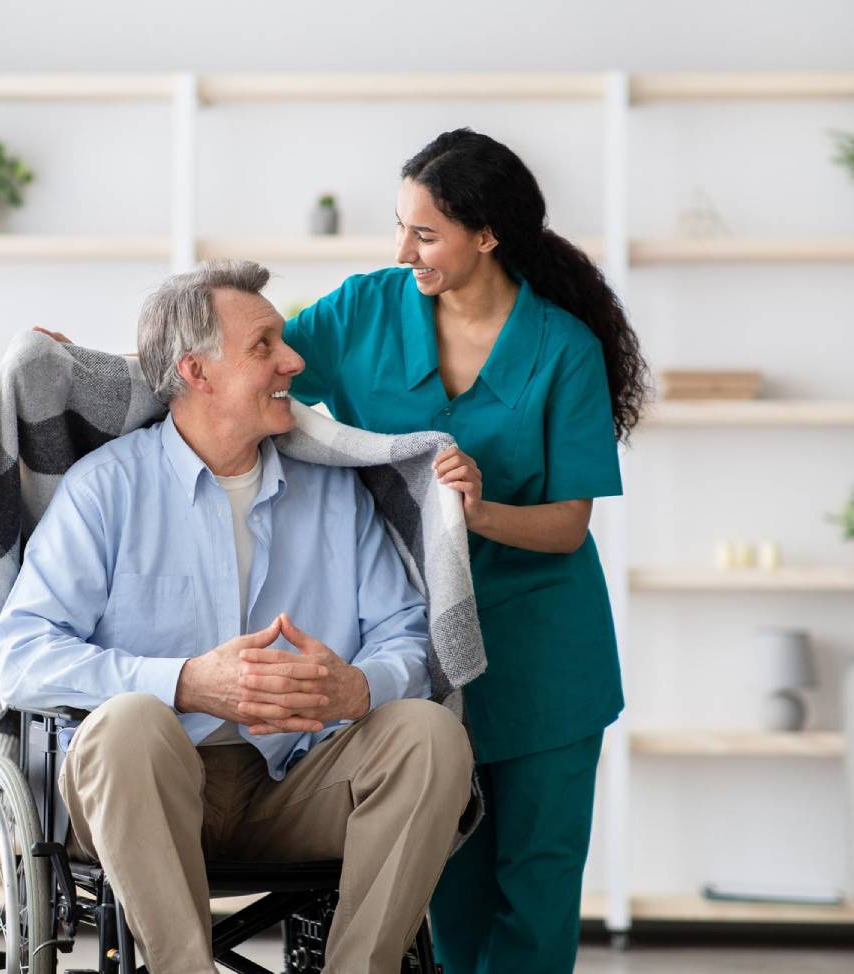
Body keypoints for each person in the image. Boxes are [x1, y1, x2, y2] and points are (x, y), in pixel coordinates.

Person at [0, 259, 475, 974]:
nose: (293, 361)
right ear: (196, 371)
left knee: (430, 734)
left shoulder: (334, 495)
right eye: (265, 346)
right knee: (129, 723)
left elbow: (405, 631)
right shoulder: (106, 490)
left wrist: (360, 687)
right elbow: (21, 657)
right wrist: (184, 682)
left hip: (297, 783)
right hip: (146, 790)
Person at [281, 128, 650, 972]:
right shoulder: (365, 309)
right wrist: (98, 365)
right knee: (449, 884)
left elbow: (566, 525)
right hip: (417, 645)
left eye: (425, 233)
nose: (403, 249)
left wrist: (472, 512)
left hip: (546, 652)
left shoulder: (562, 348)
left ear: (487, 235)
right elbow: (252, 367)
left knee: (537, 885)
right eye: (401, 226)